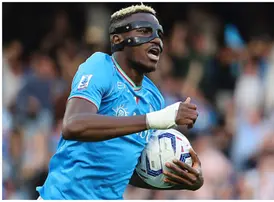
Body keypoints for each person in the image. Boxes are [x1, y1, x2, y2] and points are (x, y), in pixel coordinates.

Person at [36, 4, 203, 200]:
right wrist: (153, 119)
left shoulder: (153, 97)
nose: (156, 39)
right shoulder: (101, 66)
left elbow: (125, 169)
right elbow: (73, 125)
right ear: (117, 39)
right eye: (144, 31)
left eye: (159, 34)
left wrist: (183, 179)